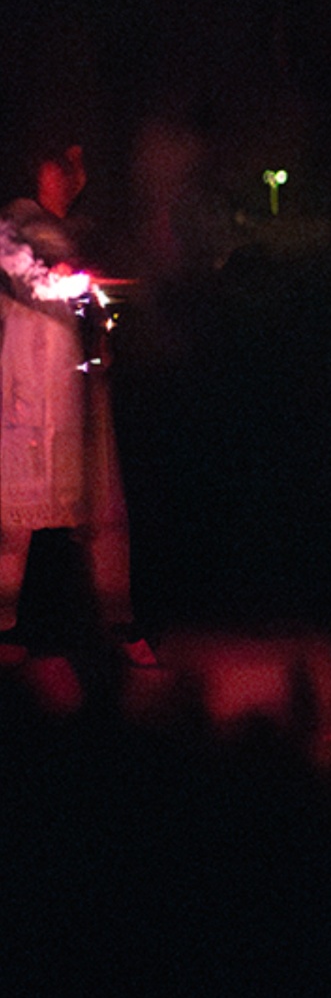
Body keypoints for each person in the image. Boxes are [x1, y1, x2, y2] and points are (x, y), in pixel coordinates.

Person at [0, 141, 157, 692]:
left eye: (74, 163)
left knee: (98, 499)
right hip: (27, 383)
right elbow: (25, 271)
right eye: (56, 159)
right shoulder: (17, 220)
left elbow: (104, 293)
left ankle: (119, 620)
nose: (64, 170)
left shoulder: (87, 229)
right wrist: (69, 279)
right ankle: (5, 627)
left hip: (79, 383)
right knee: (15, 510)